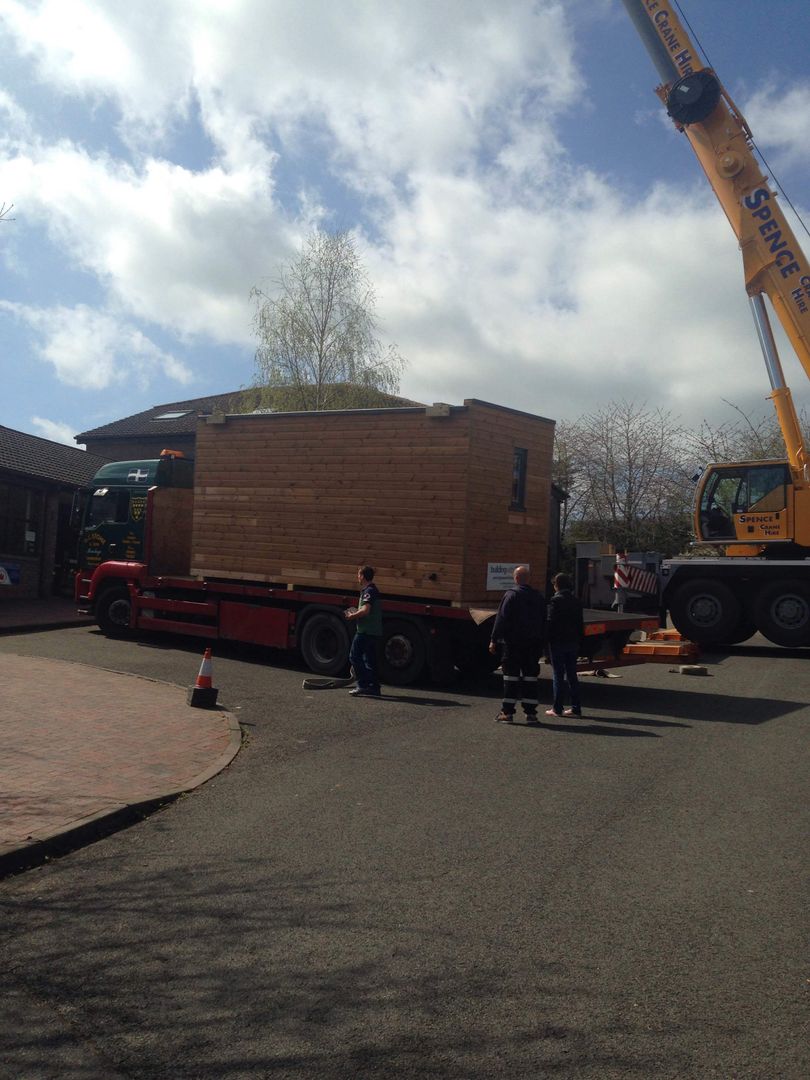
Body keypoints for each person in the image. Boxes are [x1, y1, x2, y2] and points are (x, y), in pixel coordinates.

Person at [489, 565, 546, 724]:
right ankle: (531, 714)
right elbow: (543, 621)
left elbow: (501, 619)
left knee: (510, 678)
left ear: (515, 579)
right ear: (529, 579)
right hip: (532, 645)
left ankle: (507, 713)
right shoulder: (538, 597)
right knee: (530, 679)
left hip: (513, 645)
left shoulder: (511, 595)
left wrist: (494, 639)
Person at [545, 572, 584, 718]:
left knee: (558, 674)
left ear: (556, 585)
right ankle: (576, 708)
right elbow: (580, 624)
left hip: (558, 642)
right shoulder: (576, 601)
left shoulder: (555, 601)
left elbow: (550, 623)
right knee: (572, 675)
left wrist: (545, 642)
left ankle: (557, 708)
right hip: (572, 641)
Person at [345, 565, 382, 697]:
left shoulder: (368, 591)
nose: (357, 577)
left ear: (363, 576)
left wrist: (352, 616)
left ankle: (363, 684)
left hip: (365, 631)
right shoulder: (373, 590)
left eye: (359, 575)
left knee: (354, 656)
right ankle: (374, 687)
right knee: (370, 660)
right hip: (374, 631)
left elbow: (366, 611)